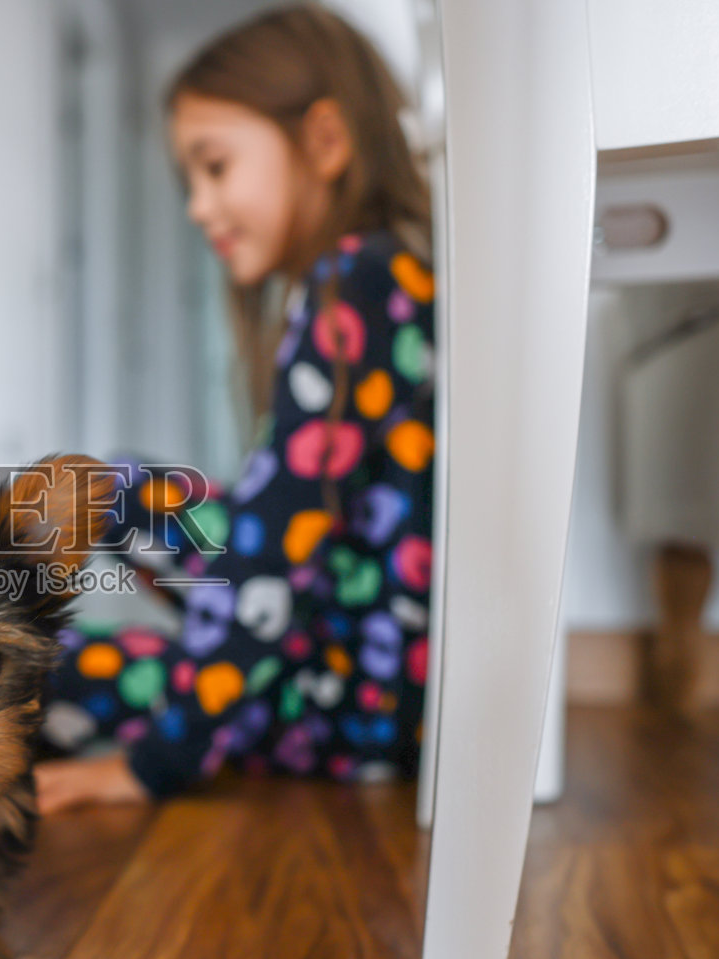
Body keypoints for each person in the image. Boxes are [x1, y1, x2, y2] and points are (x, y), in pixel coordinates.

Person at [35, 3, 437, 815]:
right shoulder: (378, 276)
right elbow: (283, 531)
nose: (198, 206)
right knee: (102, 489)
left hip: (356, 705)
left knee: (44, 663)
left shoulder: (354, 282)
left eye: (215, 168)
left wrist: (151, 765)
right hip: (359, 670)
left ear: (324, 142)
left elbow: (275, 560)